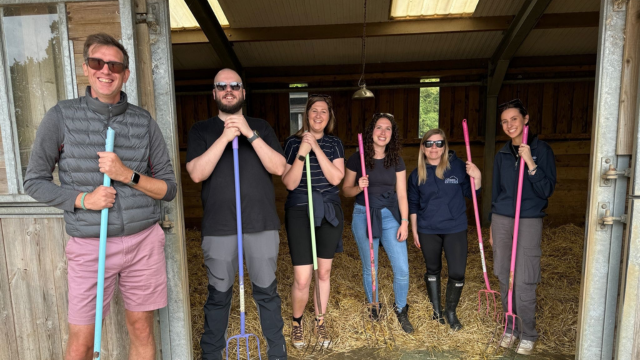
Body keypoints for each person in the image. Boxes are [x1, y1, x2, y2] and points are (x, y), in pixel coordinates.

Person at [23, 33, 177, 360]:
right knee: (82, 338)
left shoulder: (142, 121)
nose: (106, 70)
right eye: (98, 62)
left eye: (115, 65)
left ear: (126, 74)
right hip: (91, 243)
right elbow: (34, 181)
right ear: (86, 68)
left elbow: (169, 188)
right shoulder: (61, 116)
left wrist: (127, 176)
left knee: (141, 328)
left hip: (142, 241)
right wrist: (84, 200)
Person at [186, 68, 287, 360]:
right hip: (219, 226)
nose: (228, 89)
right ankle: (212, 353)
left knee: (266, 291)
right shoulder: (201, 130)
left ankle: (277, 353)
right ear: (215, 93)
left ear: (243, 92)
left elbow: (279, 167)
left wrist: (248, 133)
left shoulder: (261, 126)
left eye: (234, 85)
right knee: (218, 295)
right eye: (221, 86)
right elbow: (196, 173)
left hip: (261, 223)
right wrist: (225, 135)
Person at [489, 99, 556, 355]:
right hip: (503, 219)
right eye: (504, 122)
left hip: (528, 219)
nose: (509, 125)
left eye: (514, 119)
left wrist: (530, 162)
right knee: (504, 276)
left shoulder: (542, 150)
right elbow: (495, 194)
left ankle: (528, 333)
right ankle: (510, 327)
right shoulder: (502, 155)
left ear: (525, 119)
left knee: (525, 279)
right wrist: (492, 227)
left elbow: (546, 189)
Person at [281, 94, 345, 348]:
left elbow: (336, 178)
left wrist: (316, 149)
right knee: (303, 277)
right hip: (299, 210)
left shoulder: (334, 144)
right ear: (306, 114)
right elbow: (289, 182)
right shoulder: (291, 143)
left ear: (329, 117)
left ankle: (320, 321)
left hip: (328, 209)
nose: (318, 115)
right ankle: (297, 323)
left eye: (324, 112)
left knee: (324, 272)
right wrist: (301, 153)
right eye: (314, 111)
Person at [342, 113, 413, 333]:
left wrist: (404, 222)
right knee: (370, 267)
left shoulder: (397, 160)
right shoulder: (357, 158)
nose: (383, 133)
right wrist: (358, 186)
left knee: (401, 268)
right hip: (364, 214)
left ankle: (401, 308)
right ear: (371, 131)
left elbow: (402, 194)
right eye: (379, 128)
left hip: (391, 215)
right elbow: (345, 190)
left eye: (388, 129)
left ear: (393, 134)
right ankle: (374, 305)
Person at [407, 129, 481, 331]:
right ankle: (436, 310)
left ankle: (451, 311)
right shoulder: (416, 174)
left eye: (439, 143)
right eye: (429, 143)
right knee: (433, 269)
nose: (434, 148)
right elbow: (413, 204)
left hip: (454, 227)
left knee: (457, 272)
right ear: (423, 147)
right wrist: (414, 230)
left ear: (444, 146)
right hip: (427, 229)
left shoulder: (458, 167)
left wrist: (478, 177)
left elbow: (472, 192)